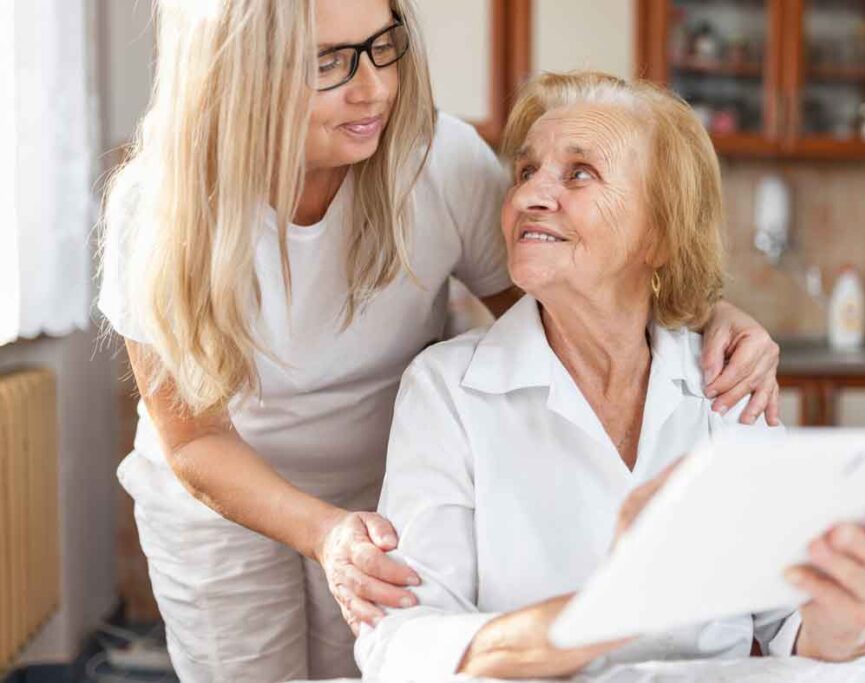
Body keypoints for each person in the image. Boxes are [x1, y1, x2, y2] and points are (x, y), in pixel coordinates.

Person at [99, 1, 783, 679]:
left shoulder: (436, 162)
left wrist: (705, 312)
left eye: (381, 45)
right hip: (227, 495)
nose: (374, 88)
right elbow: (193, 438)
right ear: (239, 76)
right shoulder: (158, 208)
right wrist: (323, 531)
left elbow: (577, 281)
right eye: (329, 62)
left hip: (383, 487)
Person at [355, 72, 865, 679]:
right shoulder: (446, 390)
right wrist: (613, 606)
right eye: (525, 172)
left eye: (579, 173)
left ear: (659, 233)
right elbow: (405, 641)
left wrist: (849, 614)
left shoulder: (727, 382)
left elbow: (791, 627)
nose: (527, 196)